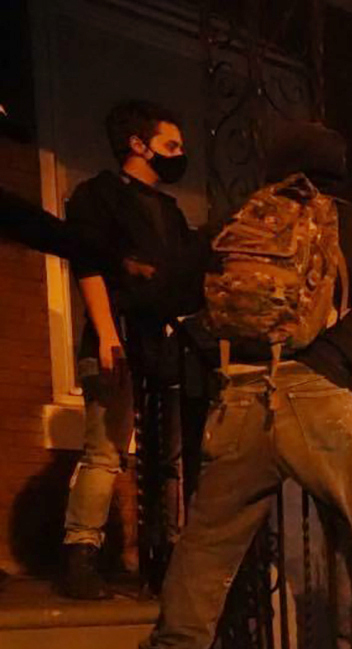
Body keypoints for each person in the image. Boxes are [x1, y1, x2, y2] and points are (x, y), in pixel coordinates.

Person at [135, 122, 352, 649]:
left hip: (242, 393)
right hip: (323, 398)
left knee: (209, 538)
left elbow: (162, 295)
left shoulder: (236, 221)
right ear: (337, 170)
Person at [59, 99, 206, 600]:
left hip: (162, 343)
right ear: (138, 145)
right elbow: (89, 265)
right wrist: (107, 335)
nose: (178, 154)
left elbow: (185, 280)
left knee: (168, 456)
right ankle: (81, 554)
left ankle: (164, 556)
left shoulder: (168, 211)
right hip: (117, 333)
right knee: (105, 449)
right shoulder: (98, 196)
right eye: (170, 145)